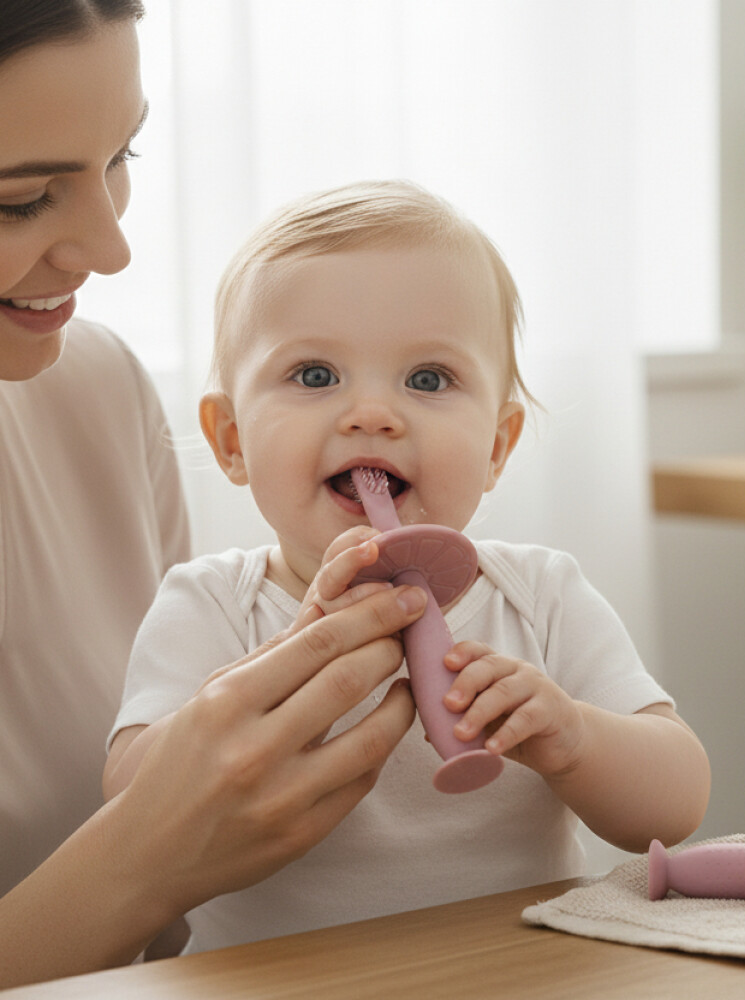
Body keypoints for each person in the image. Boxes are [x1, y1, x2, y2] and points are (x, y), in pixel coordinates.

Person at [104, 179, 712, 953]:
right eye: (316, 375)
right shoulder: (211, 607)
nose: (373, 414)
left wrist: (576, 739)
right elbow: (129, 807)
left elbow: (675, 804)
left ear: (496, 447)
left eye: (428, 380)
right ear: (230, 440)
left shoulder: (542, 596)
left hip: (521, 972)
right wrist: (277, 684)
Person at [0, 4, 429, 987]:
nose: (111, 251)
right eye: (19, 200)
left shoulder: (92, 390)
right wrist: (145, 857)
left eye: (121, 158)